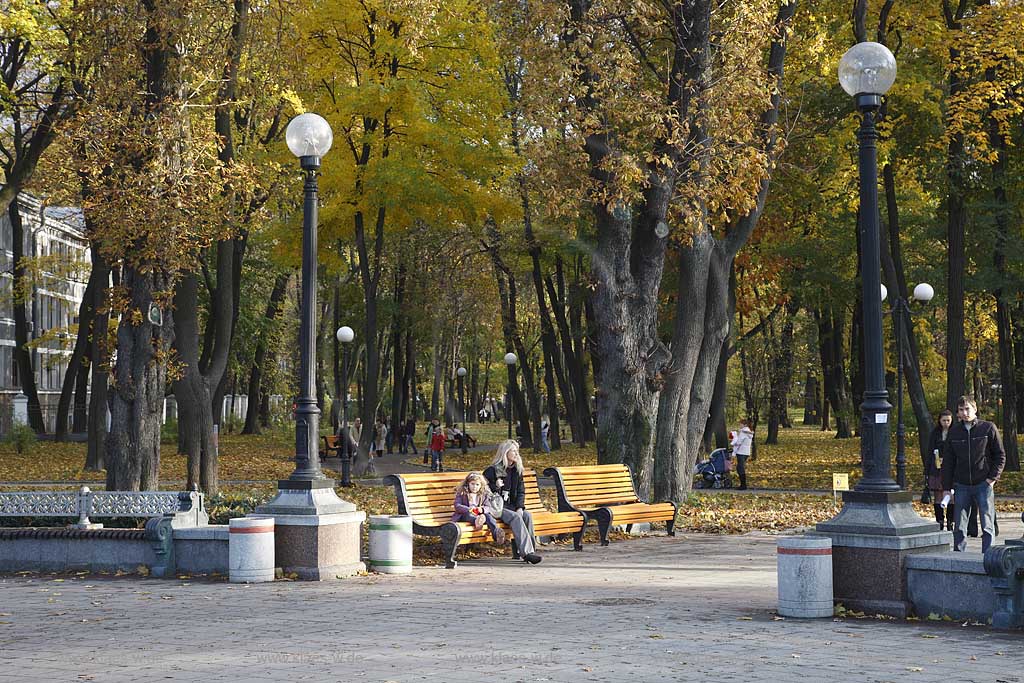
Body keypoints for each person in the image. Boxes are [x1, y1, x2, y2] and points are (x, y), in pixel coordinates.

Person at [941, 395, 1005, 553]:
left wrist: (991, 479)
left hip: (983, 483)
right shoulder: (954, 432)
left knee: (987, 523)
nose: (964, 412)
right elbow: (948, 462)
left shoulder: (988, 428)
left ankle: (988, 555)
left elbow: (1000, 455)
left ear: (975, 409)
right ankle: (959, 556)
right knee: (959, 525)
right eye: (961, 410)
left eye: (967, 409)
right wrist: (947, 487)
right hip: (961, 484)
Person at [483, 440, 542, 564]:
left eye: (517, 451)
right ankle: (527, 553)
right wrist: (496, 487)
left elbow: (521, 491)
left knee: (527, 515)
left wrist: (520, 507)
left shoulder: (517, 470)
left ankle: (531, 551)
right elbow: (483, 492)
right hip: (496, 508)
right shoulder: (492, 471)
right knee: (515, 517)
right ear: (505, 453)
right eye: (513, 451)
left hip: (511, 506)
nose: (516, 454)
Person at [452, 472, 505, 545]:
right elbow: (457, 506)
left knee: (489, 517)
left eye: (477, 485)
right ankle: (477, 521)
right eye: (472, 484)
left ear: (481, 485)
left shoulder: (483, 494)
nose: (474, 487)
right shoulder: (462, 493)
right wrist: (469, 509)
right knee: (469, 515)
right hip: (465, 514)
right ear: (468, 484)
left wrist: (482, 509)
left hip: (479, 513)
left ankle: (496, 533)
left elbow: (488, 507)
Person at [925, 410, 955, 530]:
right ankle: (940, 520)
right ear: (939, 421)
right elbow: (930, 450)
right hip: (936, 467)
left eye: (948, 420)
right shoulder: (935, 433)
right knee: (938, 494)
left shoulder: (955, 432)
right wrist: (927, 470)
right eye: (944, 420)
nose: (946, 423)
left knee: (951, 495)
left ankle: (950, 522)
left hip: (951, 467)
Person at [730, 418, 754, 491]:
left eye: (740, 424)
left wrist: (733, 441)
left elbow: (738, 442)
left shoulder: (743, 432)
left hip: (741, 452)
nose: (739, 425)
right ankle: (743, 484)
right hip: (746, 452)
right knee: (740, 467)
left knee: (740, 468)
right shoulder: (749, 432)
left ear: (744, 424)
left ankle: (743, 485)